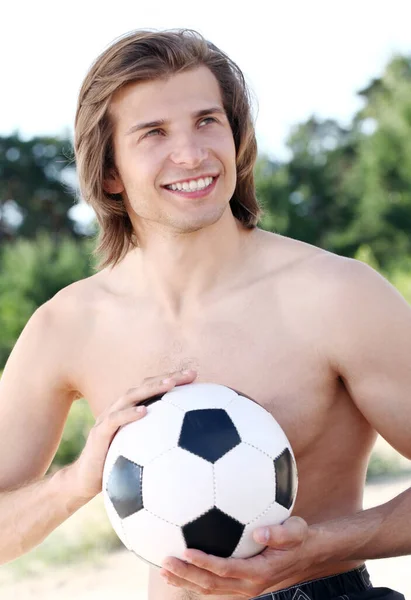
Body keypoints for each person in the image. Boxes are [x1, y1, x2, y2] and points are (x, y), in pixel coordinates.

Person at [0, 28, 409, 600]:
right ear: (110, 170)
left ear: (237, 137)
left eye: (207, 121)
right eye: (153, 133)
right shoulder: (68, 325)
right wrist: (75, 481)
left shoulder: (337, 295)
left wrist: (326, 544)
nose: (192, 153)